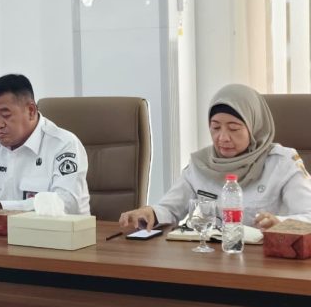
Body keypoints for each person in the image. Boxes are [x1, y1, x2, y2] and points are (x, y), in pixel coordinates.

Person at [119, 83, 311, 231]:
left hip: (265, 260)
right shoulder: (202, 164)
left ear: (254, 127)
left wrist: (280, 223)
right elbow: (170, 209)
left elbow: (308, 215)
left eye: (234, 128)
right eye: (215, 127)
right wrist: (149, 212)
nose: (223, 137)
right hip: (212, 258)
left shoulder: (282, 163)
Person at [0, 74, 90, 214]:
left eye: (5, 115)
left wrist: (0, 207)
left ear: (31, 111)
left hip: (50, 231)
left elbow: (67, 203)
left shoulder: (64, 145)